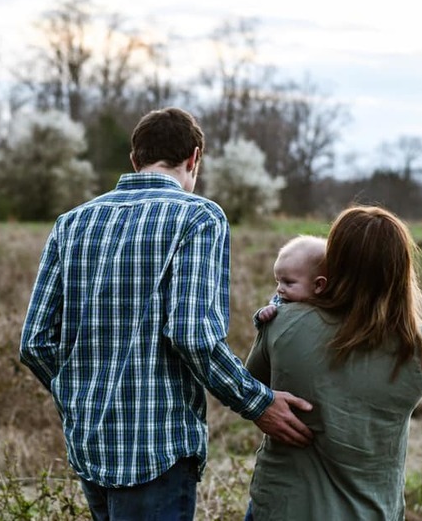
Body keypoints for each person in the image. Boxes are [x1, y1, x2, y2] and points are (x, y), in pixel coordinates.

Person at [19, 106, 313, 521]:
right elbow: (192, 334)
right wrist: (257, 403)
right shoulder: (198, 217)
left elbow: (35, 343)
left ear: (135, 160)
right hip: (158, 448)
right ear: (194, 158)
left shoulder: (71, 224)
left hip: (90, 445)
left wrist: (82, 395)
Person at [244, 205, 422, 520]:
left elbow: (250, 384)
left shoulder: (284, 323)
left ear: (334, 264)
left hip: (285, 507)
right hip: (373, 511)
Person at [253, 235, 327, 328]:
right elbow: (263, 330)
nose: (279, 289)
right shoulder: (280, 303)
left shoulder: (330, 306)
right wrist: (263, 315)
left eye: (288, 283)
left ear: (318, 285)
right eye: (278, 282)